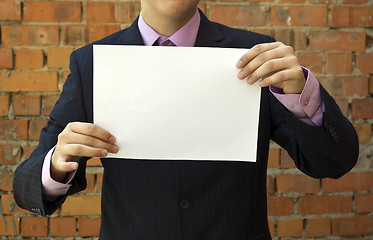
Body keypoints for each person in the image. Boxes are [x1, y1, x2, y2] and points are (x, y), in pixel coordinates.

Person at [13, 0, 359, 239]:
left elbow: (333, 161)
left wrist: (301, 93)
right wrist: (57, 163)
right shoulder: (92, 64)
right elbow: (27, 185)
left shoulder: (256, 57)